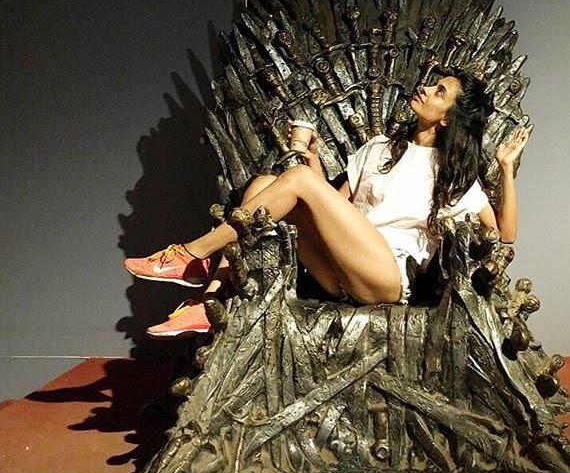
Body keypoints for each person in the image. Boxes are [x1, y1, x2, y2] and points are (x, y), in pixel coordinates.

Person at [124, 67, 532, 336]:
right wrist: (313, 159)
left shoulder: (452, 175)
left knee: (294, 181)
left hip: (385, 278)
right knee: (264, 183)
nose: (425, 88)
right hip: (338, 272)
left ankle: (193, 255)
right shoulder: (379, 148)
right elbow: (333, 210)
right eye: (433, 84)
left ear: (447, 118)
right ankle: (211, 299)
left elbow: (505, 234)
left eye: (439, 91)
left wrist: (505, 168)